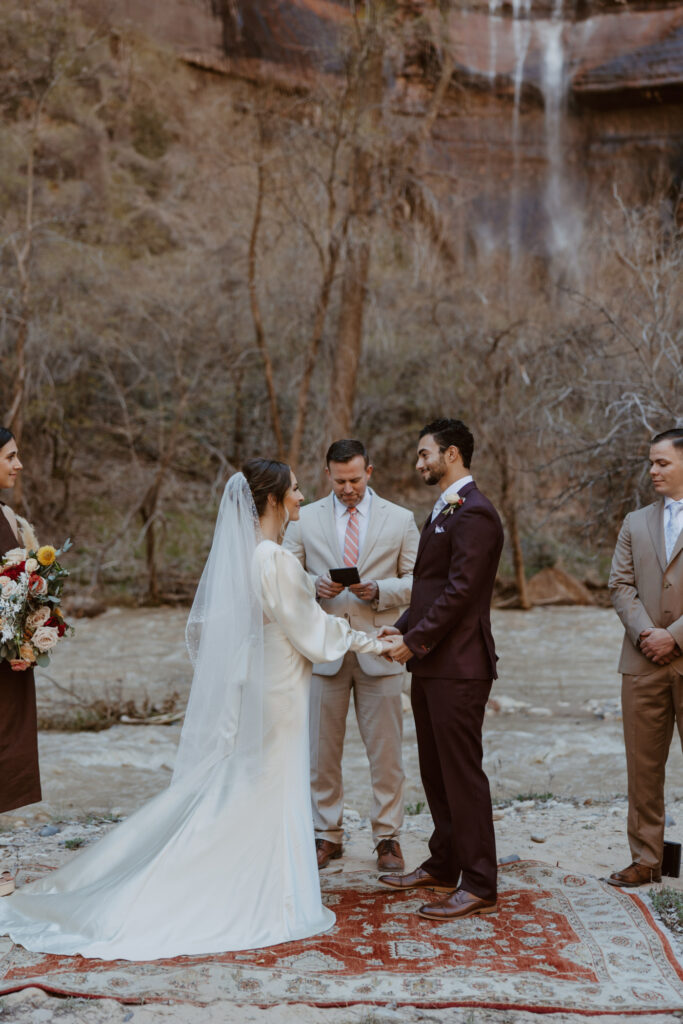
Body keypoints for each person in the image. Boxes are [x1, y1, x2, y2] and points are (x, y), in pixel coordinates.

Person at [0, 459, 396, 959]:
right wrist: (376, 643)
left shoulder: (250, 556)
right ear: (272, 500)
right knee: (270, 781)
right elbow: (314, 633)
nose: (301, 498)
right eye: (295, 490)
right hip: (278, 689)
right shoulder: (274, 558)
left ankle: (265, 879)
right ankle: (265, 892)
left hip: (262, 679)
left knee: (253, 782)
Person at [377, 418, 504, 921]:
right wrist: (401, 626)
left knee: (462, 774)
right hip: (433, 664)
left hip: (459, 666)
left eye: (424, 454)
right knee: (435, 772)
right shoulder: (444, 510)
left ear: (451, 454)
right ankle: (444, 863)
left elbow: (462, 593)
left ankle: (479, 883)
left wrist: (416, 640)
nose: (418, 462)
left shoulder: (476, 514)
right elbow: (432, 586)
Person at [284, 439, 419, 872]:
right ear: (327, 475)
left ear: (370, 472)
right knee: (322, 752)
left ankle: (388, 838)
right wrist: (313, 586)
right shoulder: (304, 518)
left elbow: (421, 580)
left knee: (386, 753)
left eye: (355, 480)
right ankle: (327, 834)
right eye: (340, 481)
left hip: (380, 647)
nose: (348, 488)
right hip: (323, 650)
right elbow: (285, 573)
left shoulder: (401, 519)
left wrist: (381, 590)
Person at [607, 428, 683, 888]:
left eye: (662, 463)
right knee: (643, 768)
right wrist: (647, 634)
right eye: (651, 463)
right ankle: (646, 858)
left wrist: (674, 636)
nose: (652, 471)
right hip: (642, 662)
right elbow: (619, 585)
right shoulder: (635, 522)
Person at [0, 428, 41, 899]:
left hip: (9, 656)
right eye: (11, 456)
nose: (19, 464)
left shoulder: (8, 515)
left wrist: (37, 619)